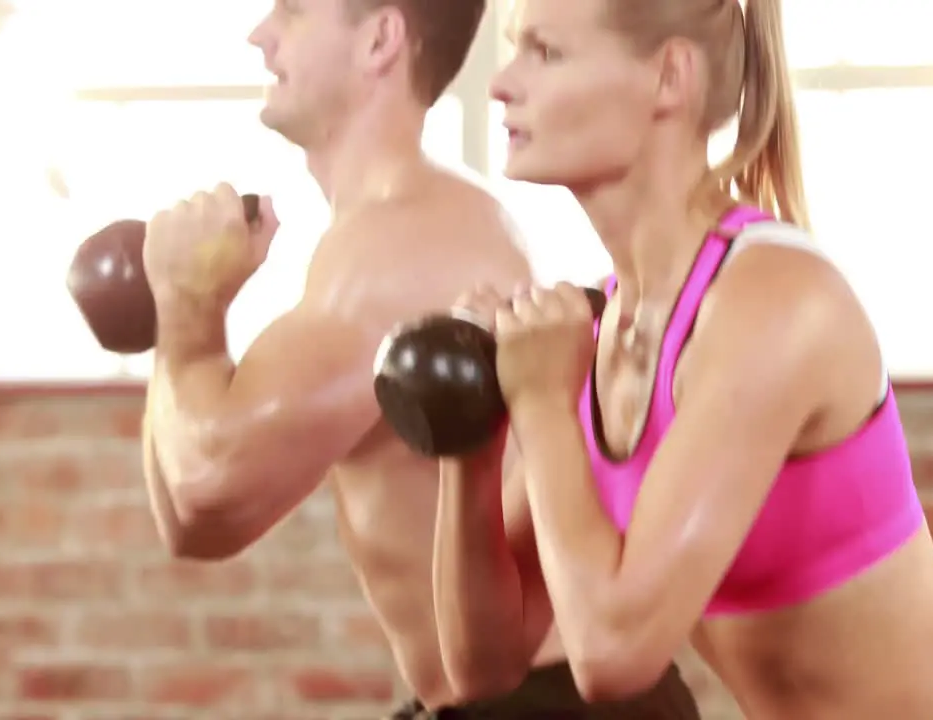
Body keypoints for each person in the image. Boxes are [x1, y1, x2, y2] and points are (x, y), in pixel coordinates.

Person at [429, 0, 933, 719]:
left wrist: (538, 404)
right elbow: (480, 668)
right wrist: (470, 440)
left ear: (669, 78)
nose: (499, 84)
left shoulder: (773, 302)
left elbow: (613, 654)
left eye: (546, 53)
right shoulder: (602, 332)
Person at [135, 0, 700, 716]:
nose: (260, 34)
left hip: (549, 703)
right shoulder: (386, 231)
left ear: (381, 40)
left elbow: (209, 495)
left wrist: (188, 307)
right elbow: (186, 521)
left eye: (294, 11)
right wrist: (179, 308)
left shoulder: (402, 245)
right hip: (492, 696)